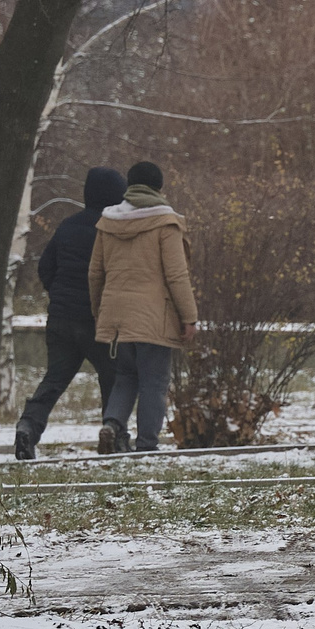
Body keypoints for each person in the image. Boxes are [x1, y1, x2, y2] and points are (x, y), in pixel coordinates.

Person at [13, 166, 126, 460]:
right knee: (112, 377)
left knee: (55, 379)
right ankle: (114, 436)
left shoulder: (68, 225)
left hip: (61, 320)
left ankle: (28, 426)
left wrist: (60, 296)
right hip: (97, 320)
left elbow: (45, 268)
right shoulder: (113, 230)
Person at [90, 160, 197, 453]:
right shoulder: (166, 223)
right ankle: (147, 445)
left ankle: (111, 424)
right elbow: (176, 275)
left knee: (125, 376)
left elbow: (95, 273)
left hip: (117, 317)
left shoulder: (108, 222)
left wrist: (100, 312)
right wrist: (189, 317)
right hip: (154, 317)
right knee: (154, 382)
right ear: (159, 188)